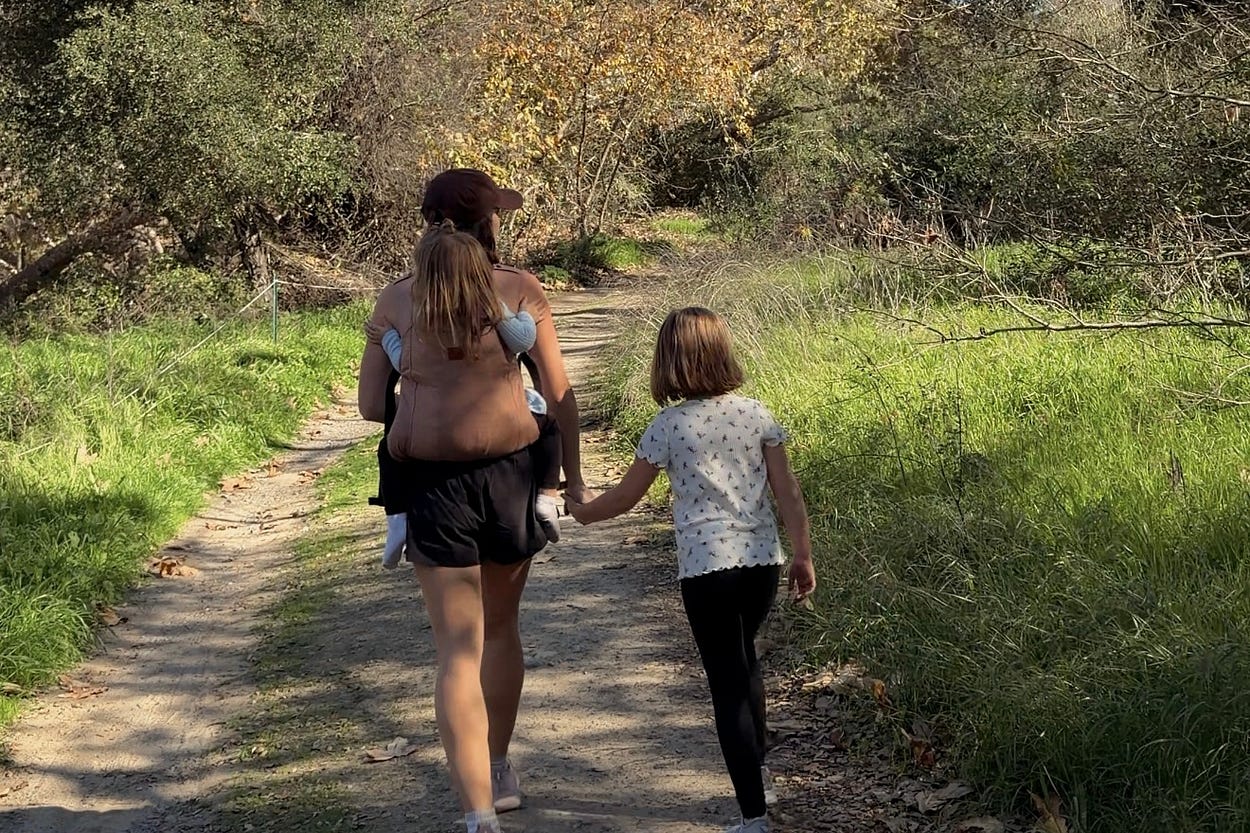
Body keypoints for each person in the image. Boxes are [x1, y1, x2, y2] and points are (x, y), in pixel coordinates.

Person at [358, 186, 588, 833]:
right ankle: (498, 763)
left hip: (432, 483)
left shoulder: (397, 298)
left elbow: (371, 405)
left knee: (457, 649)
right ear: (486, 223)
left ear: (430, 222)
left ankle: (477, 811)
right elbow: (558, 393)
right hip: (510, 473)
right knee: (501, 629)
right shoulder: (518, 288)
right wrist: (570, 477)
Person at [565, 306, 817, 833]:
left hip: (707, 570)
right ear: (723, 353)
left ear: (669, 362)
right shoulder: (756, 414)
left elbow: (626, 497)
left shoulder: (668, 426)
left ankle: (753, 817)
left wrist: (583, 512)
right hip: (760, 563)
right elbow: (787, 490)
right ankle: (761, 776)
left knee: (727, 683)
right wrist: (802, 553)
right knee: (745, 660)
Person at [366, 302, 564, 567]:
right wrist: (525, 314)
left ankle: (397, 517)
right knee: (549, 427)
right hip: (495, 411)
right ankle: (547, 496)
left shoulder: (424, 315)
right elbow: (522, 339)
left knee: (389, 449)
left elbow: (404, 363)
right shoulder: (490, 303)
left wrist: (387, 337)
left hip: (436, 417)